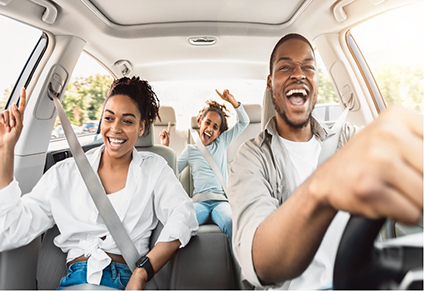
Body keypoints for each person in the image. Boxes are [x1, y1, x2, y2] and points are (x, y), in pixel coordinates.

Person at [228, 33, 423, 289]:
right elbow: (261, 262)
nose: (298, 74)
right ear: (270, 82)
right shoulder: (250, 158)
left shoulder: (348, 139)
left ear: (317, 81)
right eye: (285, 67)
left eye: (308, 67)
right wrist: (322, 188)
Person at [0, 77, 198, 290]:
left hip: (125, 280)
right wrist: (7, 149)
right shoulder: (65, 173)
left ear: (142, 128)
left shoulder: (155, 169)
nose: (115, 128)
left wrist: (142, 272)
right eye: (109, 118)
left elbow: (184, 215)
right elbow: (10, 229)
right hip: (74, 281)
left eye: (128, 121)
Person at [160, 89, 249, 248]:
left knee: (230, 222)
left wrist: (232, 101)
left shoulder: (222, 142)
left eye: (215, 127)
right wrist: (165, 148)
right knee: (182, 224)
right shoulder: (190, 151)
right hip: (199, 203)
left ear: (220, 133)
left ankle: (239, 268)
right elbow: (171, 173)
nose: (210, 129)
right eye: (208, 123)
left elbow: (244, 122)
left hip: (221, 202)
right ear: (200, 122)